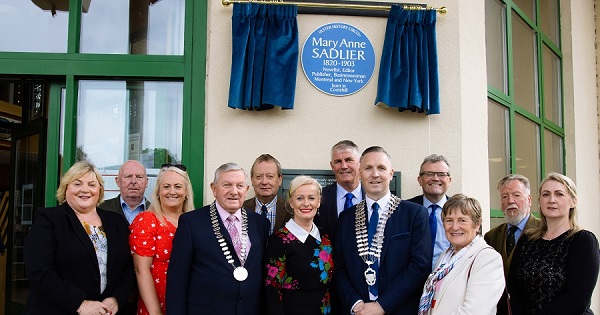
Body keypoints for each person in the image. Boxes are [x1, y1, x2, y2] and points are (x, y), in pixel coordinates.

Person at [24, 161, 135, 315]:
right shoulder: (49, 219)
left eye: (91, 184)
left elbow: (129, 266)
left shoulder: (116, 221)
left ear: (99, 190)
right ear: (66, 188)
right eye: (77, 184)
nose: (85, 190)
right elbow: (39, 271)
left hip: (107, 311)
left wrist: (116, 298)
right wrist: (80, 304)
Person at [334, 146, 431, 315]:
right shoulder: (347, 218)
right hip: (358, 311)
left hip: (399, 309)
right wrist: (355, 302)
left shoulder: (414, 214)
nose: (375, 174)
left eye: (381, 168)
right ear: (359, 173)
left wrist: (383, 305)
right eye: (368, 168)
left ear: (391, 173)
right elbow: (339, 268)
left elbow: (420, 266)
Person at [166, 163, 270, 315]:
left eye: (239, 186)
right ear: (214, 189)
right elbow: (177, 281)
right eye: (226, 185)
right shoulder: (191, 223)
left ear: (247, 190)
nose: (234, 192)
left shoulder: (260, 223)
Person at [508, 172, 600, 314]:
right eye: (546, 194)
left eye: (559, 194)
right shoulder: (527, 240)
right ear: (539, 201)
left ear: (573, 201)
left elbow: (577, 299)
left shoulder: (583, 241)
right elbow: (513, 288)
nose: (551, 200)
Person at [417, 194, 505, 315]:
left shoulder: (487, 259)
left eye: (462, 220)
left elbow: (474, 312)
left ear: (477, 224)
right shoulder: (445, 256)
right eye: (449, 220)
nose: (454, 227)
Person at [129, 166, 195, 315]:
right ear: (158, 191)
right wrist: (155, 312)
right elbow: (141, 270)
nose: (172, 192)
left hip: (188, 302)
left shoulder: (194, 221)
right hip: (157, 303)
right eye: (166, 187)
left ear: (186, 192)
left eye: (178, 186)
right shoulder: (147, 220)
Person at [264, 175, 334, 315]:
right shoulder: (278, 240)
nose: (306, 203)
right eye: (300, 198)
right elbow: (271, 291)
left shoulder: (326, 237)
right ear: (291, 202)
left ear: (319, 202)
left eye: (311, 198)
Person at [484, 174, 540, 315]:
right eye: (504, 197)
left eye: (516, 195)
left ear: (529, 200)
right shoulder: (491, 236)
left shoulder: (543, 231)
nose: (510, 201)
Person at [407, 154, 452, 270]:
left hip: (448, 280)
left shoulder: (462, 211)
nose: (436, 178)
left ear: (449, 180)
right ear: (420, 180)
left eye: (442, 174)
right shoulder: (405, 210)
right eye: (429, 174)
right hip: (413, 282)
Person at [315, 140, 364, 244]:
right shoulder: (319, 197)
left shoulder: (373, 195)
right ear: (332, 166)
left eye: (349, 160)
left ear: (360, 163)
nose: (344, 166)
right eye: (338, 161)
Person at [243, 154, 292, 234]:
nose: (264, 182)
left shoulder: (291, 210)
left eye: (270, 176)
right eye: (259, 176)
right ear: (252, 180)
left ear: (280, 179)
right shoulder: (240, 209)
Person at [102, 160, 150, 225]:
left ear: (146, 182)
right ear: (118, 181)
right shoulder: (102, 209)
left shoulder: (157, 212)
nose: (133, 181)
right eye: (128, 176)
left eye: (139, 177)